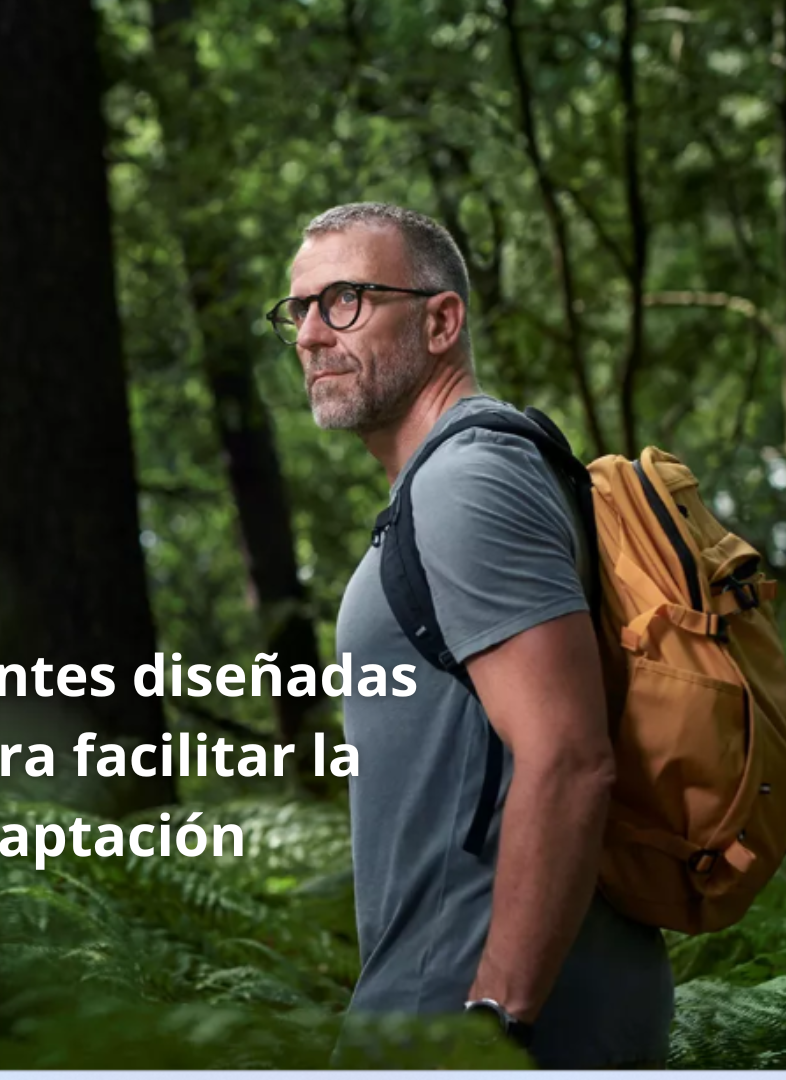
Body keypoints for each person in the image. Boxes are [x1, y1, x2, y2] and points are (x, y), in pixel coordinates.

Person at [265, 203, 674, 1068]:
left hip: (468, 1016)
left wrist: (493, 1019)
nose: (309, 334)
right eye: (296, 310)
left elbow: (568, 757)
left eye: (343, 299)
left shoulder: (468, 480)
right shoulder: (473, 476)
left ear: (441, 320)